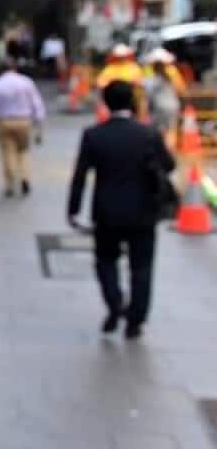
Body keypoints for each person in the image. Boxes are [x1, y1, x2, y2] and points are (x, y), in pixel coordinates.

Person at [67, 80, 174, 339]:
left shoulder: (93, 135)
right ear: (133, 103)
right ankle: (135, 319)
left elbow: (80, 175)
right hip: (143, 211)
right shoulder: (148, 134)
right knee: (142, 266)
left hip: (107, 211)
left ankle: (114, 304)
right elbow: (169, 165)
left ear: (105, 103)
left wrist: (73, 209)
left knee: (105, 261)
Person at [0, 58, 46, 197]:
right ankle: (24, 177)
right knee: (23, 151)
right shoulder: (26, 82)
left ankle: (10, 183)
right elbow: (37, 104)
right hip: (24, 121)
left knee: (7, 152)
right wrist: (39, 125)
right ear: (15, 68)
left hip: (4, 121)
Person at [142, 48, 181, 149]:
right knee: (171, 131)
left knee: (160, 132)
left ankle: (162, 153)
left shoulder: (151, 80)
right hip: (173, 106)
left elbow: (147, 96)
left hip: (159, 108)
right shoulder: (171, 75)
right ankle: (169, 153)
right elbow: (180, 89)